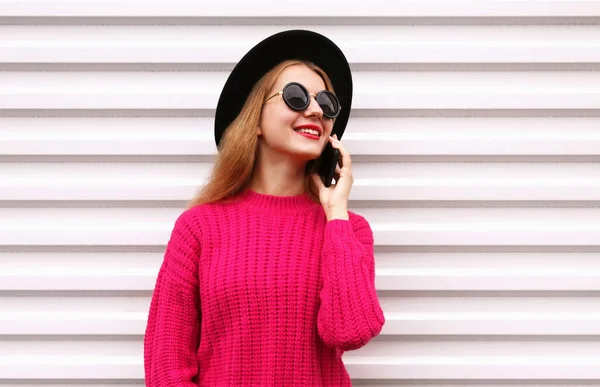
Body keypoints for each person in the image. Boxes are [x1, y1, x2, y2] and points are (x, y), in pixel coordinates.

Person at [143, 29, 385, 386]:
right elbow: (167, 366)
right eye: (296, 97)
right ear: (255, 119)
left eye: (327, 103)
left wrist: (336, 216)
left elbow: (350, 330)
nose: (316, 110)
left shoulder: (349, 229)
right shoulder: (199, 227)